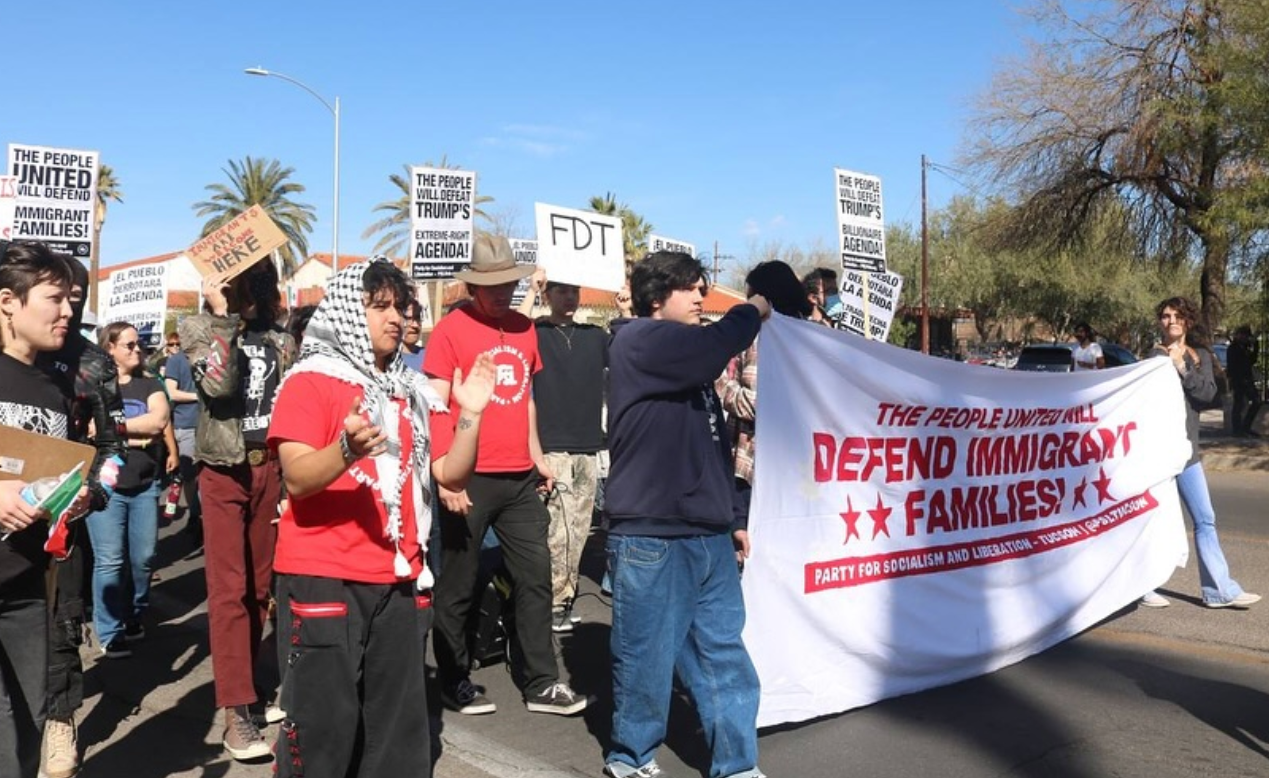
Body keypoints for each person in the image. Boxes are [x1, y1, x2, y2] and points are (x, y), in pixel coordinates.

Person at [268, 257, 495, 777]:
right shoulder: (311, 381)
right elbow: (298, 479)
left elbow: (450, 473)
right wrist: (346, 451)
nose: (396, 317)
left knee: (398, 735)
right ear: (350, 311)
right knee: (321, 730)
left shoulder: (409, 390)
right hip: (327, 578)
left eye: (401, 306)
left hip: (400, 581)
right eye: (380, 307)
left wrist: (473, 415)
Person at [604, 250, 770, 778]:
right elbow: (717, 344)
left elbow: (713, 443)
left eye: (703, 288)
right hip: (653, 534)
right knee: (645, 657)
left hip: (708, 532)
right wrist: (754, 309)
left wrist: (733, 517)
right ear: (657, 297)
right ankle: (630, 759)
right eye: (691, 288)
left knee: (723, 653)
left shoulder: (684, 355)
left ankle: (737, 765)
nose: (701, 297)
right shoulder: (639, 339)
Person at [424, 234, 587, 717]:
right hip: (467, 478)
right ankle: (454, 680)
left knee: (535, 577)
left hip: (519, 479)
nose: (501, 292)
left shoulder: (524, 328)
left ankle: (542, 683)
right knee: (458, 585)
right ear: (473, 284)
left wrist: (537, 456)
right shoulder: (451, 329)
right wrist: (446, 477)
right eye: (491, 284)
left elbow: (526, 400)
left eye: (508, 283)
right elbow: (434, 405)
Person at [180, 259, 296, 761]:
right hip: (223, 470)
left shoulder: (280, 338)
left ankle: (248, 687)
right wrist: (221, 314)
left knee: (261, 590)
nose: (240, 285)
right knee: (228, 591)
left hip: (269, 467)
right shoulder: (199, 326)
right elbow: (220, 386)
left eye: (250, 278)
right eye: (233, 278)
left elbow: (291, 401)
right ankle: (236, 712)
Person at [36, 255, 129, 778]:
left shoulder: (93, 363)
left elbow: (113, 449)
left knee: (61, 626)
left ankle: (59, 724)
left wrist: (88, 495)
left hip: (60, 524)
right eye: (56, 294)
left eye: (76, 295)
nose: (67, 307)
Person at [0, 241, 86, 778]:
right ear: (8, 301)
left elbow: (52, 481)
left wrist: (68, 500)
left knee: (29, 726)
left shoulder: (55, 391)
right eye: (54, 298)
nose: (68, 312)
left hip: (29, 588)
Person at [1139, 297, 1260, 610]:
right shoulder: (1152, 356)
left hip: (1188, 452)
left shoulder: (1199, 356)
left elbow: (1208, 394)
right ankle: (1143, 586)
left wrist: (1182, 367)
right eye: (1165, 316)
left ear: (1187, 321)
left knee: (1205, 519)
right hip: (1158, 453)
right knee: (1154, 520)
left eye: (1177, 316)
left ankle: (1218, 590)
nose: (1171, 321)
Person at [525, 270, 608, 632]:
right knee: (557, 531)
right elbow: (510, 332)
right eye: (561, 291)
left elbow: (633, 348)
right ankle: (552, 603)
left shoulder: (595, 336)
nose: (569, 298)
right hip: (552, 448)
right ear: (550, 294)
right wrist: (531, 290)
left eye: (574, 291)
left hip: (589, 448)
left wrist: (625, 306)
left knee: (579, 528)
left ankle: (565, 597)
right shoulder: (537, 333)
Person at [88, 322, 172, 658]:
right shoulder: (94, 385)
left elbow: (158, 421)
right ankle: (109, 631)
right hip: (105, 486)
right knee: (109, 560)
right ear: (109, 348)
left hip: (144, 485)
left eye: (139, 345)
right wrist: (136, 437)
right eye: (130, 345)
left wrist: (114, 429)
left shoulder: (149, 383)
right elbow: (89, 429)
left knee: (144, 558)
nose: (138, 350)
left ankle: (133, 613)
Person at [717, 261, 811, 522]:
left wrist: (719, 382)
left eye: (752, 297)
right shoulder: (814, 334)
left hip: (760, 466)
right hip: (800, 465)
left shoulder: (764, 337)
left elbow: (762, 405)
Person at [163, 339, 202, 545]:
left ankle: (203, 516)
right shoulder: (176, 361)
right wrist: (198, 396)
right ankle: (196, 515)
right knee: (190, 475)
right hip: (186, 424)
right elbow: (171, 391)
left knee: (208, 474)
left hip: (209, 423)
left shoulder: (209, 358)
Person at [1227, 324, 1260, 437]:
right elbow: (1233, 366)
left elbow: (1251, 361)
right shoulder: (1233, 348)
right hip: (1239, 380)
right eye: (1245, 336)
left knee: (1256, 402)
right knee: (1239, 404)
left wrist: (1255, 346)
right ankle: (1237, 430)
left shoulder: (1244, 347)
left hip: (1247, 379)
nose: (1246, 339)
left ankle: (1246, 427)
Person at [400, 299, 425, 371]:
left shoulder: (431, 356)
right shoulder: (386, 362)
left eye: (418, 318)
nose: (415, 325)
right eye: (408, 319)